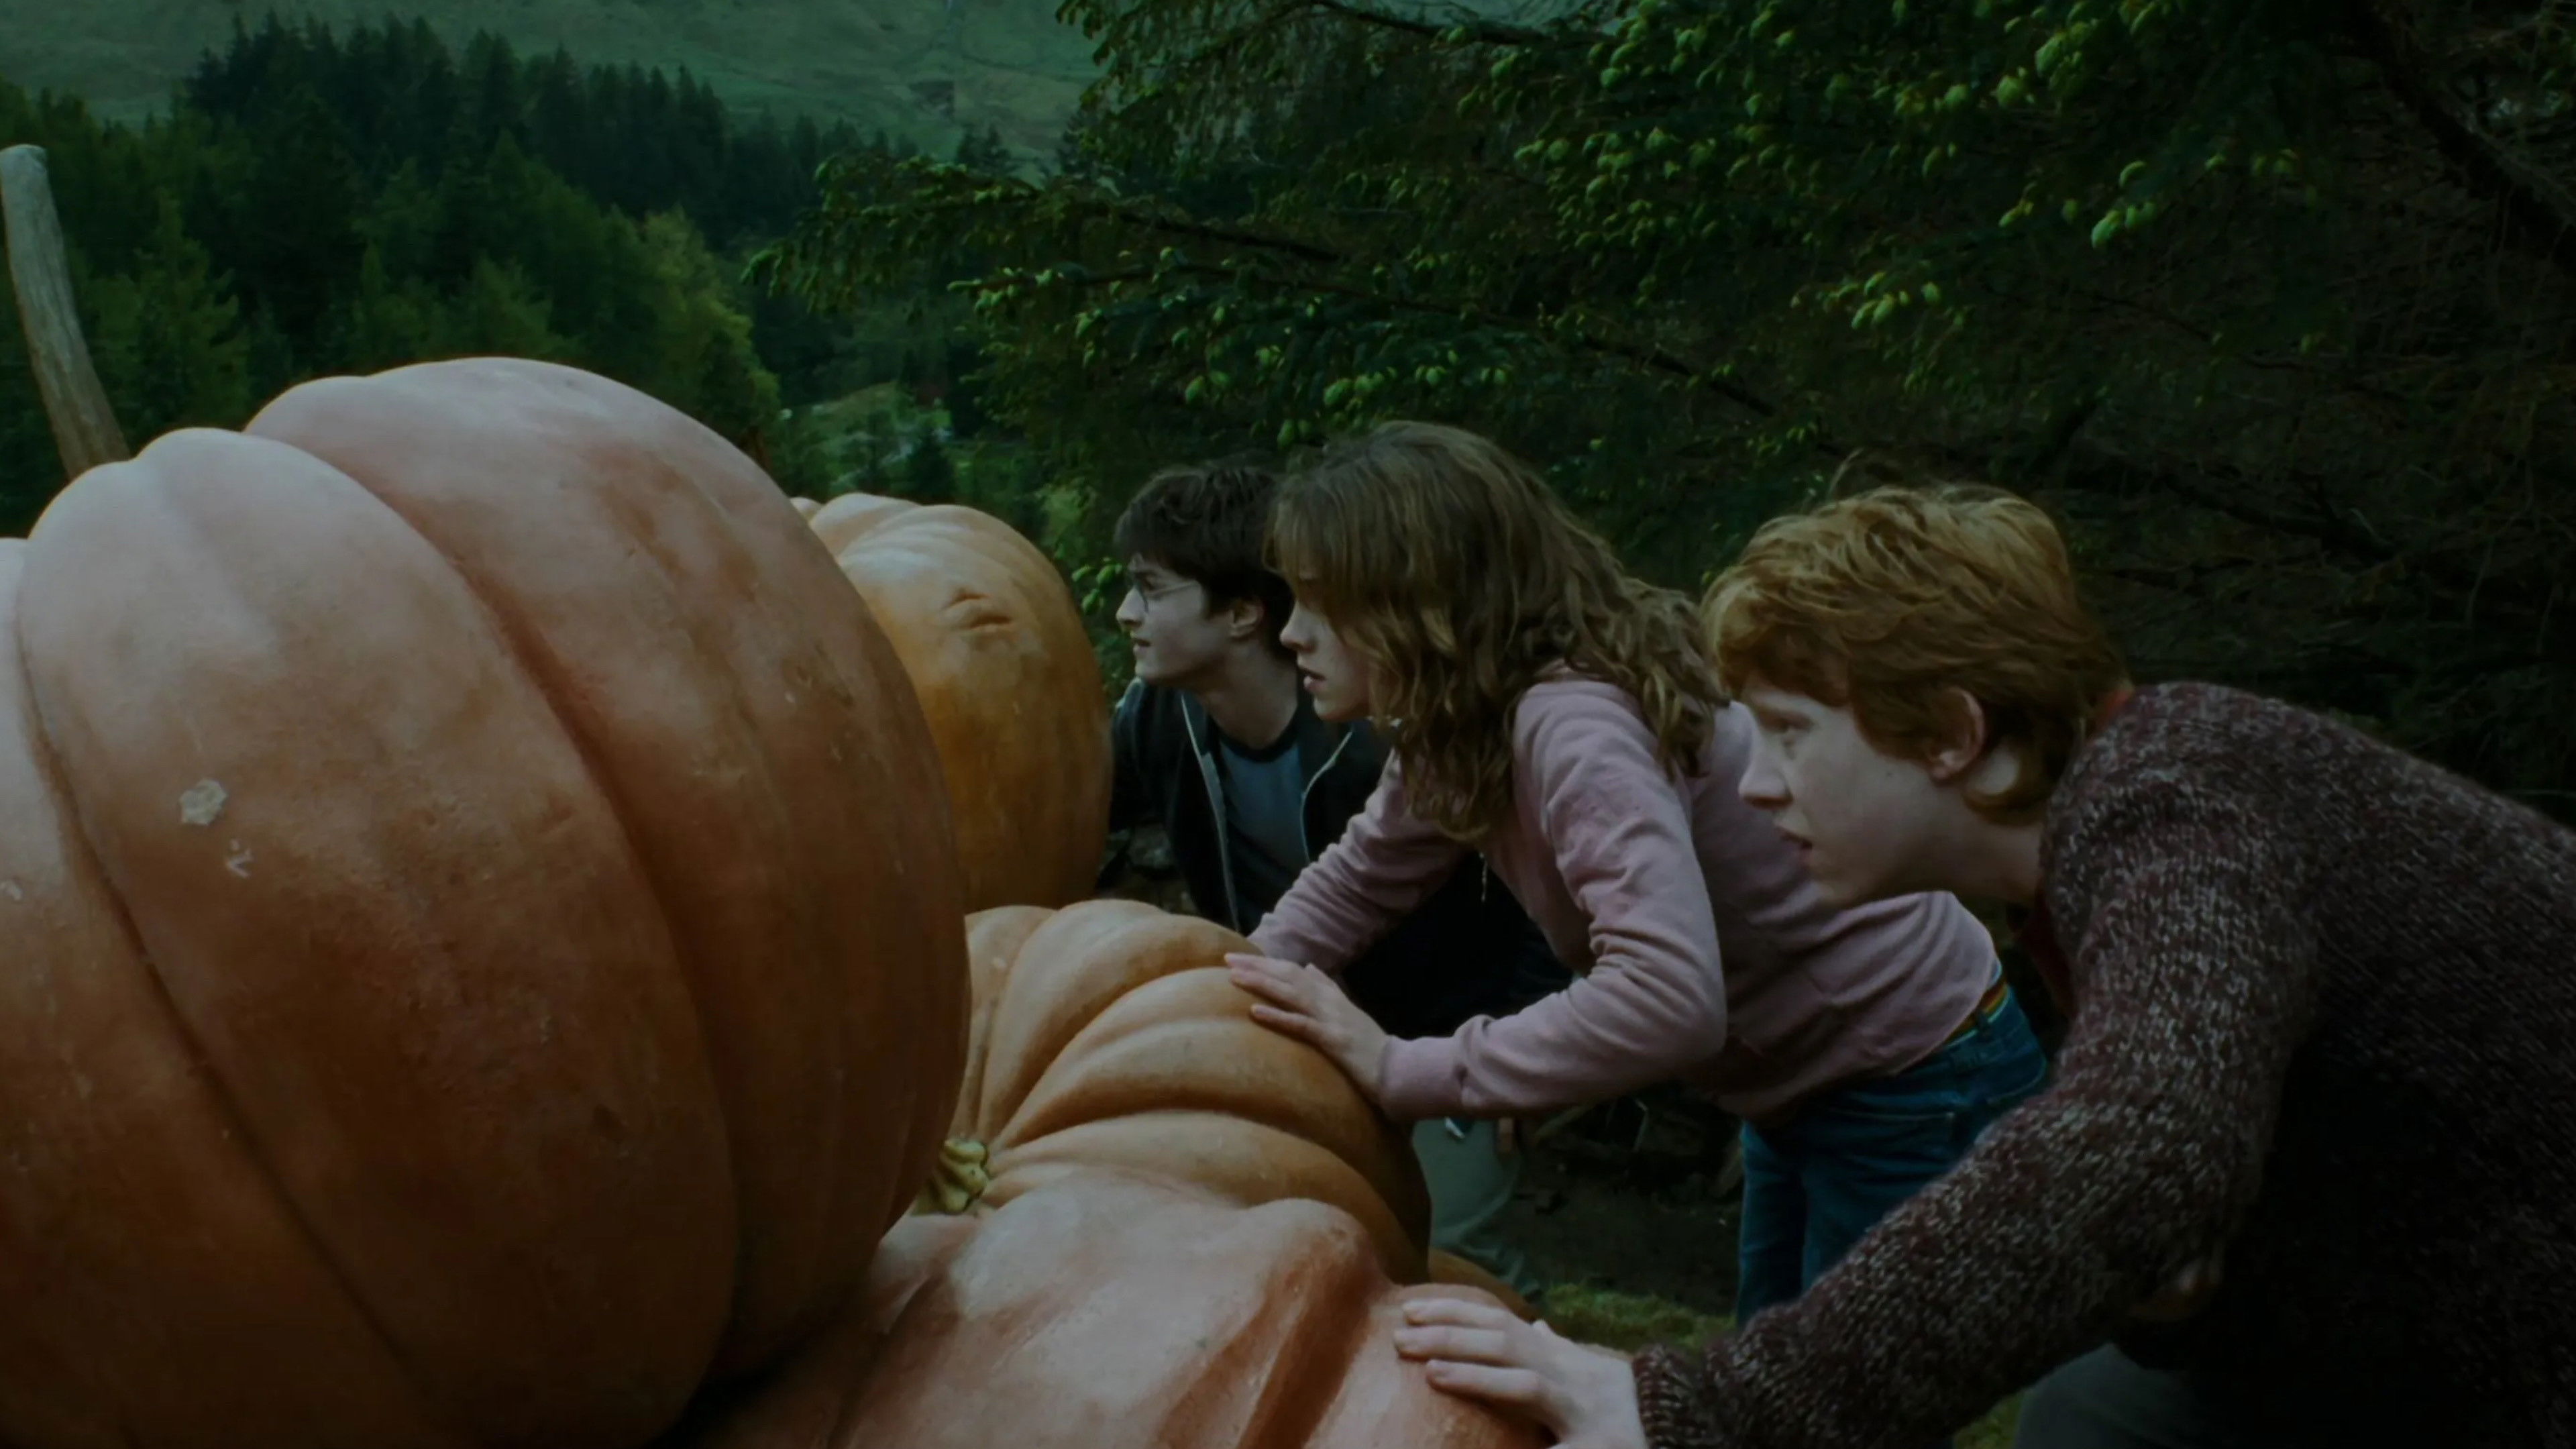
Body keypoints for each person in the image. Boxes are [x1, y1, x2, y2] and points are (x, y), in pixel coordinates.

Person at [1393, 482, 2576, 1448]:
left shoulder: (2178, 804)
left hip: (2509, 1355)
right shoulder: (2080, 863)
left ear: (1954, 734)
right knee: (2099, 1412)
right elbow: (2207, 1207)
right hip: (2409, 1329)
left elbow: (2141, 1146)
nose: (1755, 785)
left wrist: (1693, 1412)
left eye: (1791, 733)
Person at [1222, 423, 2043, 1360]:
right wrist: (1218, 987)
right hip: (1808, 1086)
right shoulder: (1460, 726)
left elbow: (1667, 998)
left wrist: (1403, 1068)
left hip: (1915, 1075)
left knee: (1843, 1399)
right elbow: (1361, 877)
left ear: (1419, 603)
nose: (1292, 633)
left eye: (1322, 604)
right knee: (1775, 1377)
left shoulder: (1573, 729)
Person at [1102, 456, 1569, 1295]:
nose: (1124, 613)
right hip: (1290, 1029)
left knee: (1449, 1258)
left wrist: (1519, 1034)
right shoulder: (1156, 721)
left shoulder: (1376, 729)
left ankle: (1526, 1372)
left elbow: (1537, 877)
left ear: (1241, 613)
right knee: (1288, 1257)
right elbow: (1067, 812)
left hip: (1444, 1032)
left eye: (1150, 589)